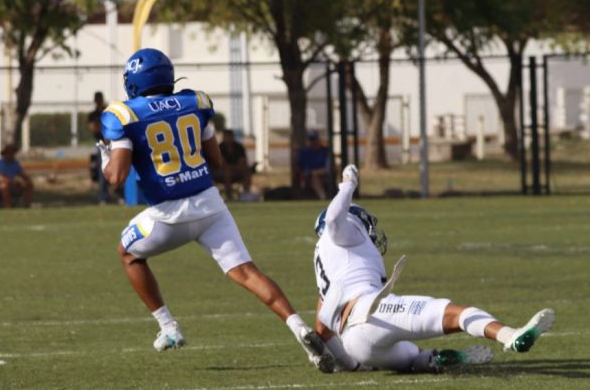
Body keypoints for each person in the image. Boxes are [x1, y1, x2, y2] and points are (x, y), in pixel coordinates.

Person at [99, 47, 333, 372]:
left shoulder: (123, 114)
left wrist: (106, 158)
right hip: (210, 206)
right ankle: (299, 326)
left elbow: (116, 177)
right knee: (248, 272)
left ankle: (169, 327)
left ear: (134, 81)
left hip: (167, 216)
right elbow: (216, 159)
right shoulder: (195, 102)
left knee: (127, 253)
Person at [310, 163, 555, 374]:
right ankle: (510, 336)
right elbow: (333, 220)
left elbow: (321, 328)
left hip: (355, 345)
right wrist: (348, 185)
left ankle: (431, 360)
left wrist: (350, 364)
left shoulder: (325, 262)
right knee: (457, 314)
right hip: (371, 313)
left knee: (412, 357)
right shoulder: (342, 232)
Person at [86, 91, 114, 204]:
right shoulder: (93, 115)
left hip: (112, 143)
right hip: (101, 144)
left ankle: (118, 193)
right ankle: (103, 196)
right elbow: (93, 128)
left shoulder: (107, 111)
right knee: (102, 170)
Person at [0, 142, 35, 208]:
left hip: (10, 185)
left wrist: (27, 180)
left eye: (13, 152)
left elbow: (22, 175)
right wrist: (13, 183)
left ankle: (27, 206)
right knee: (4, 186)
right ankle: (8, 207)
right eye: (10, 152)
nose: (12, 154)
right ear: (5, 153)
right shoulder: (0, 163)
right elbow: (1, 178)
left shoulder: (15, 163)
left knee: (28, 185)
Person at [216, 128, 254, 199]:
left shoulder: (239, 147)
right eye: (226, 136)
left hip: (237, 170)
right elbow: (221, 163)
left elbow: (243, 160)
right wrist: (230, 167)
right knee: (227, 172)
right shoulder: (219, 148)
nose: (228, 138)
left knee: (247, 171)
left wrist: (237, 167)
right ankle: (229, 195)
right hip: (223, 171)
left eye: (230, 136)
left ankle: (246, 194)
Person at [297, 130, 331, 200]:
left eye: (314, 140)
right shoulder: (304, 152)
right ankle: (323, 197)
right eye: (311, 140)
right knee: (314, 176)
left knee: (318, 173)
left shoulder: (325, 150)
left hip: (324, 171)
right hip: (309, 174)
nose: (313, 142)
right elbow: (300, 166)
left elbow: (329, 165)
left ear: (318, 140)